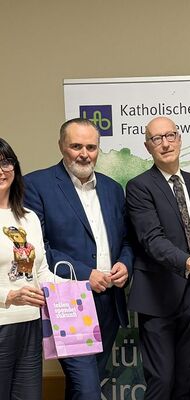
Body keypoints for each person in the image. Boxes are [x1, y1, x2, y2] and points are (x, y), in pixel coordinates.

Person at [23, 118, 134, 400]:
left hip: (109, 300)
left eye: (91, 147)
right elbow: (38, 247)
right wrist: (86, 273)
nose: (84, 154)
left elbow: (126, 240)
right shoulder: (36, 185)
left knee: (84, 384)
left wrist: (125, 264)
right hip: (69, 301)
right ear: (61, 146)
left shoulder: (112, 189)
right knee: (87, 389)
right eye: (76, 146)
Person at [126, 116, 190, 400]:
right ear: (147, 146)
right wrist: (186, 261)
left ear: (179, 138)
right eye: (157, 138)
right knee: (162, 380)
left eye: (170, 136)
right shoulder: (139, 186)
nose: (165, 144)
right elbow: (151, 239)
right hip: (158, 295)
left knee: (186, 378)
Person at [0, 138, 63, 400]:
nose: (1, 171)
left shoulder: (28, 217)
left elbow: (41, 272)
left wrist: (76, 289)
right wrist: (9, 295)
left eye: (5, 162)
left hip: (30, 323)